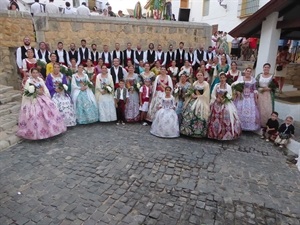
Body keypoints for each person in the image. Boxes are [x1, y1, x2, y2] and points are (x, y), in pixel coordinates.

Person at [17, 68, 66, 140]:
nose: (35, 74)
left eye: (36, 72)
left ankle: (52, 129)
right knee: (36, 113)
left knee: (50, 109)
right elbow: (26, 92)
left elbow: (45, 88)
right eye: (33, 72)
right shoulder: (29, 81)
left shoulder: (40, 80)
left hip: (43, 97)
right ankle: (38, 132)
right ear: (31, 73)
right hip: (34, 98)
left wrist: (44, 93)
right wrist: (35, 92)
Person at [208, 72, 241, 140]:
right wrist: (216, 98)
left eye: (223, 78)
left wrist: (225, 100)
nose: (222, 79)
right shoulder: (217, 85)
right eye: (221, 78)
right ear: (219, 78)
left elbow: (230, 96)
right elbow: (213, 94)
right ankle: (214, 133)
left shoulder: (228, 87)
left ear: (226, 78)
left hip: (225, 103)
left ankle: (224, 134)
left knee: (226, 114)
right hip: (217, 102)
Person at [180, 72, 210, 137]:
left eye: (201, 75)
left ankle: (199, 132)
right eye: (198, 75)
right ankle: (187, 130)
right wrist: (192, 94)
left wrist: (198, 96)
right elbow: (191, 90)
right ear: (196, 76)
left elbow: (206, 94)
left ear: (203, 76)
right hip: (193, 100)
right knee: (189, 111)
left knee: (199, 114)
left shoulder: (206, 84)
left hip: (201, 101)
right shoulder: (195, 83)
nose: (200, 76)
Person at [232, 67, 260, 131]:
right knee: (240, 109)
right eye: (247, 71)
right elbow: (236, 87)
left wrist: (255, 98)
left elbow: (255, 89)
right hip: (241, 96)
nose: (248, 72)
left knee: (250, 110)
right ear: (245, 71)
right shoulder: (241, 78)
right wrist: (237, 92)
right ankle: (239, 125)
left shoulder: (253, 80)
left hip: (250, 97)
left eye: (250, 71)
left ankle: (248, 126)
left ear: (251, 73)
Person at [256, 63, 275, 128]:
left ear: (269, 68)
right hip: (260, 93)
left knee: (266, 109)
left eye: (268, 67)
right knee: (259, 108)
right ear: (263, 68)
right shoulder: (259, 75)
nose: (266, 68)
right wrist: (260, 89)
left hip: (267, 94)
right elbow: (256, 85)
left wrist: (269, 88)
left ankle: (265, 123)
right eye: (265, 67)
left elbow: (274, 86)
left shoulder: (272, 76)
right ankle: (258, 122)